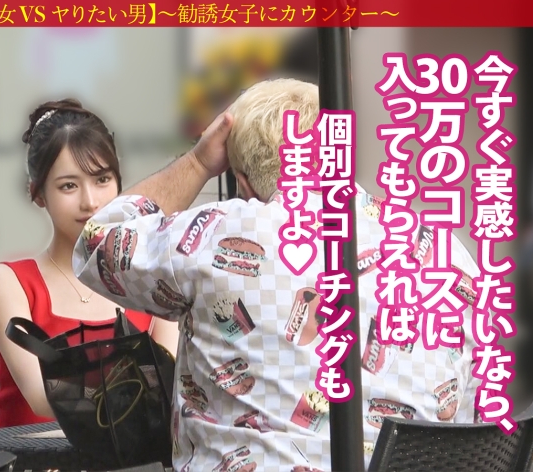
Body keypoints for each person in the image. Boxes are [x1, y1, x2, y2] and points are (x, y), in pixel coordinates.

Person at [72, 79, 483, 471]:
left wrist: (198, 162)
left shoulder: (217, 234)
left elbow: (96, 244)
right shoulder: (448, 255)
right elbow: (467, 429)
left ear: (243, 184)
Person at [0, 99, 180, 428]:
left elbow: (164, 387)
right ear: (38, 194)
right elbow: (43, 396)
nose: (90, 202)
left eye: (102, 179)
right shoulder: (9, 282)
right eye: (69, 186)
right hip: (29, 454)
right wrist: (134, 389)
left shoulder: (150, 277)